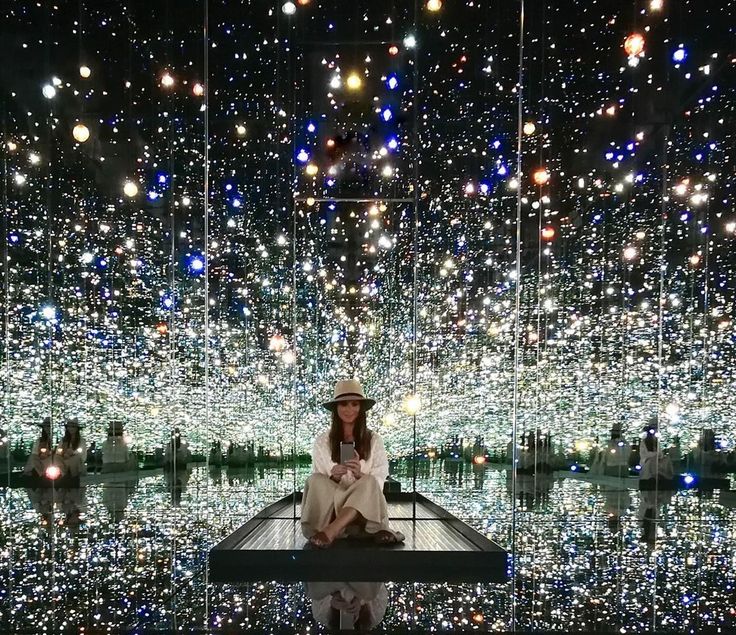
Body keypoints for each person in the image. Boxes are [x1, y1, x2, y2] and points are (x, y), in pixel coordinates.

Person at [301, 379, 404, 548]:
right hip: (333, 505)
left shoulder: (374, 440)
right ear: (336, 409)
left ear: (360, 408)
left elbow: (379, 479)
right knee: (315, 479)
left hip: (365, 511)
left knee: (369, 481)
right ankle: (338, 526)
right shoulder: (322, 441)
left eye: (354, 404)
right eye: (343, 405)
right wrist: (333, 476)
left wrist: (359, 474)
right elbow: (319, 477)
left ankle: (330, 531)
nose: (349, 410)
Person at [305, 581, 388, 631]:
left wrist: (333, 599)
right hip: (361, 567)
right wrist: (361, 599)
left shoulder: (321, 615)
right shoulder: (375, 615)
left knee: (314, 593)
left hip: (330, 568)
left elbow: (315, 592)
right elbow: (379, 587)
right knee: (370, 593)